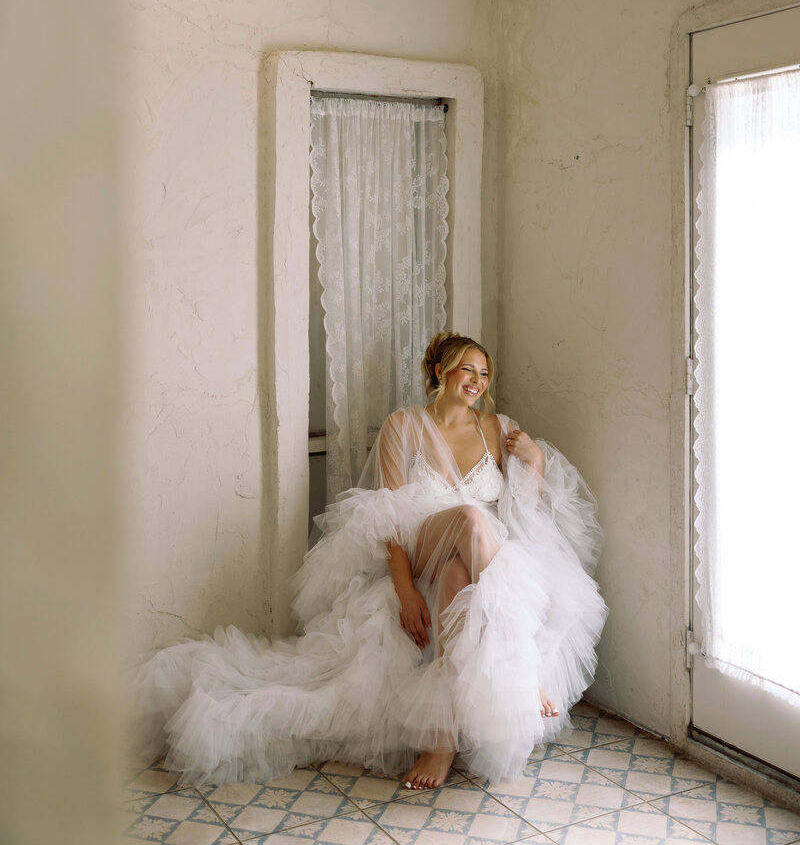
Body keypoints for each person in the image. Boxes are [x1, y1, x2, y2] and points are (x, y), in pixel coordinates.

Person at [134, 332, 607, 791]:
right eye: (467, 368)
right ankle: (523, 666)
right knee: (468, 517)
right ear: (440, 371)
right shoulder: (403, 426)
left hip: (480, 553)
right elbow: (388, 518)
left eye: (485, 373)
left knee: (460, 577)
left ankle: (440, 741)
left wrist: (535, 461)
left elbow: (525, 508)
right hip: (425, 542)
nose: (477, 381)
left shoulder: (497, 428)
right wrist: (403, 590)